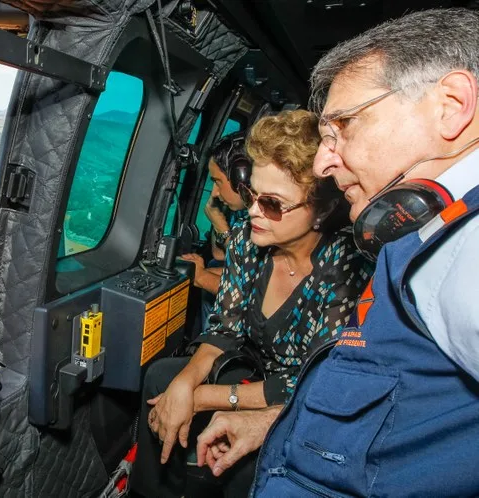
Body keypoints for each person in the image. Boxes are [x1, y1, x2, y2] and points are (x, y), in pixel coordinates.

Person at [196, 9, 479, 498]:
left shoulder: (463, 253)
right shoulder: (418, 232)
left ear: (451, 106)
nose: (326, 162)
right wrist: (274, 423)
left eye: (343, 127)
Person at [130, 110, 373, 498]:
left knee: (249, 469)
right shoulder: (245, 238)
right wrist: (185, 383)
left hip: (301, 397)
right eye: (253, 194)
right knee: (163, 377)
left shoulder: (346, 265)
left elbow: (313, 380)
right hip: (255, 369)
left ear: (322, 210)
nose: (255, 211)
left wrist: (204, 396)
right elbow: (224, 329)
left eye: (273, 203)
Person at [180, 132, 249, 331]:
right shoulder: (240, 210)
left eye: (218, 182)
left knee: (203, 278)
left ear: (241, 176)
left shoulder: (266, 221)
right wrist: (215, 214)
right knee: (208, 266)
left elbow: (253, 290)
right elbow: (219, 255)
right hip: (232, 267)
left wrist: (201, 277)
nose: (215, 192)